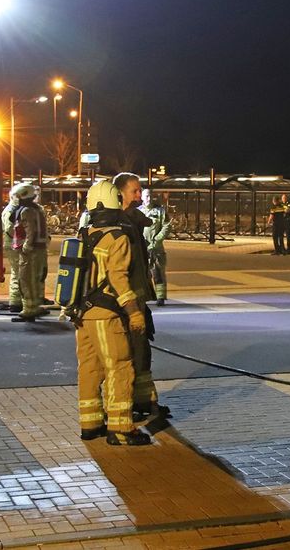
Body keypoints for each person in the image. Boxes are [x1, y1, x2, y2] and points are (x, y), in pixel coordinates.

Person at [75, 179, 151, 446]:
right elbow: (118, 278)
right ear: (115, 204)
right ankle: (121, 429)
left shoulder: (84, 233)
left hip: (81, 315)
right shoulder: (117, 238)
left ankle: (91, 423)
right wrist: (134, 312)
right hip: (106, 316)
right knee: (119, 367)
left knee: (89, 368)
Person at [112, 172, 167, 420]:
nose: (139, 195)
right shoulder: (116, 223)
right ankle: (125, 404)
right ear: (119, 193)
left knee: (142, 351)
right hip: (124, 302)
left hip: (138, 299)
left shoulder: (134, 221)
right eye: (134, 191)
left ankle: (144, 401)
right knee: (125, 354)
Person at [9, 183, 50, 322]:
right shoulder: (37, 209)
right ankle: (35, 306)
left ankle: (29, 309)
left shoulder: (26, 211)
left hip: (30, 252)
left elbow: (30, 231)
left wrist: (26, 248)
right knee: (36, 279)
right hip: (40, 250)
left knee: (25, 280)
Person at [140, 189, 171, 306]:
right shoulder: (137, 212)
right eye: (146, 196)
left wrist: (157, 240)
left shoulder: (160, 211)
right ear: (142, 197)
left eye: (150, 196)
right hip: (142, 248)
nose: (149, 199)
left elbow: (166, 226)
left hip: (156, 248)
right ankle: (144, 296)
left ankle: (161, 297)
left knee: (158, 273)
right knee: (142, 274)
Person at [1, 187, 23, 313]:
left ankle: (17, 301)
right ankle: (15, 302)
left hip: (14, 245)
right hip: (14, 246)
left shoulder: (14, 209)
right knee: (17, 273)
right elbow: (10, 229)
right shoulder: (11, 210)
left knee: (19, 273)